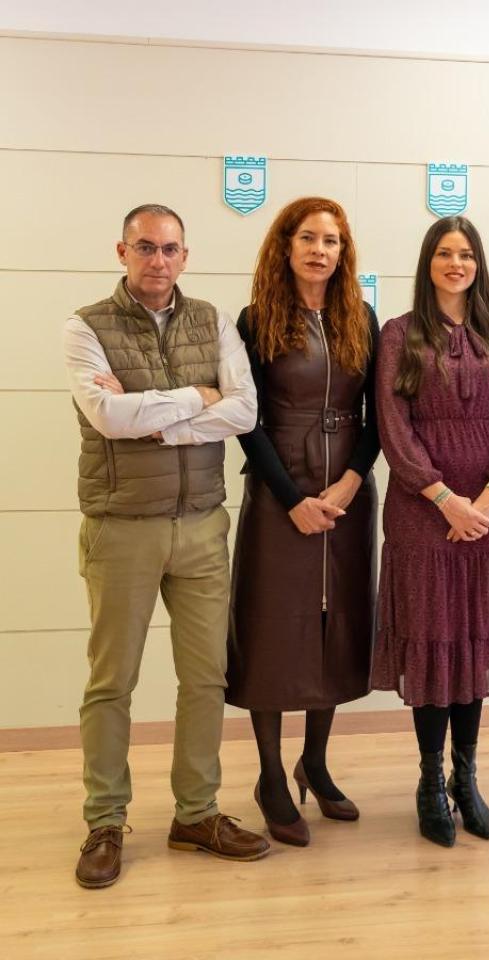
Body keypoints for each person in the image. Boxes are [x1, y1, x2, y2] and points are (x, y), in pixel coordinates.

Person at [66, 204, 268, 888]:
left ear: (186, 255)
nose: (158, 260)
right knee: (111, 683)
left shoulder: (213, 320)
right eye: (146, 247)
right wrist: (197, 395)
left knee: (206, 678)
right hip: (121, 526)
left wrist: (160, 418)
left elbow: (245, 409)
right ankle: (104, 821)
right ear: (121, 251)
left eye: (170, 248)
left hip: (203, 524)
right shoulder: (86, 326)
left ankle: (197, 815)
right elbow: (107, 414)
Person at [226, 197, 381, 846]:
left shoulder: (360, 317)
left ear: (344, 253)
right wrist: (291, 497)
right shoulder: (256, 319)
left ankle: (314, 763)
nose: (321, 251)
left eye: (332, 241)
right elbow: (246, 420)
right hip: (277, 491)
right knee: (270, 626)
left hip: (347, 494)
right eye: (309, 238)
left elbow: (378, 418)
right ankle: (270, 776)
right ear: (285, 246)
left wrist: (350, 482)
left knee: (332, 623)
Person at [372, 216, 489, 847]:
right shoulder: (399, 334)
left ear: (478, 264)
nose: (455, 263)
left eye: (465, 254)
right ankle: (430, 781)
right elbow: (393, 428)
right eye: (443, 253)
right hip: (422, 514)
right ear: (427, 263)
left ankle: (466, 777)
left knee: (474, 640)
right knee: (434, 637)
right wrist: (444, 499)